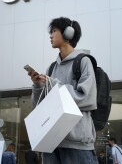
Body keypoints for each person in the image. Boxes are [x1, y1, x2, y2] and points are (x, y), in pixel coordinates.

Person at [28, 17, 98, 164]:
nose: (50, 35)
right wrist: (38, 86)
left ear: (68, 34)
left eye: (54, 31)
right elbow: (41, 107)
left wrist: (53, 85)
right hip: (51, 143)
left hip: (78, 146)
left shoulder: (84, 61)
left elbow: (87, 98)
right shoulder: (52, 68)